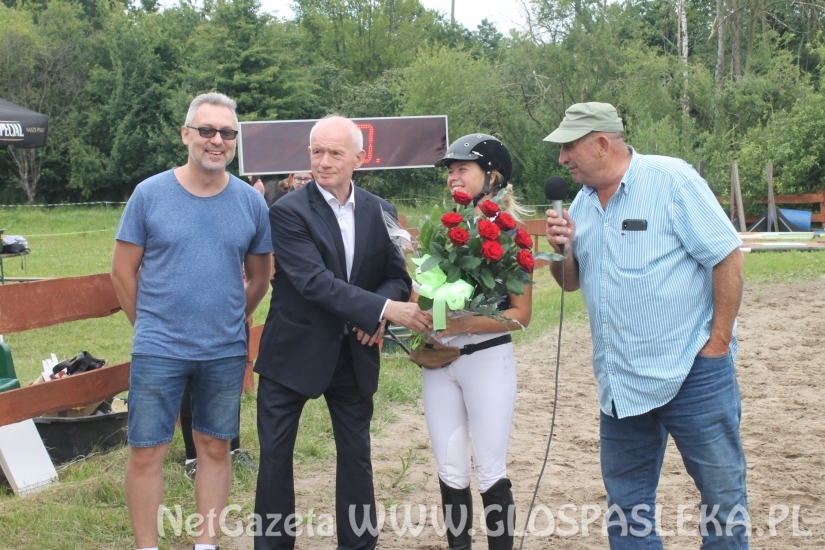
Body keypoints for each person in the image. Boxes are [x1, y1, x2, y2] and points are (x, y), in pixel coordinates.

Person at [544, 102, 748, 548]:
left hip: (694, 372)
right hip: (620, 382)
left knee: (721, 497)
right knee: (627, 504)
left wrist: (717, 343)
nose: (562, 159)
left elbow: (726, 255)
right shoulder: (579, 202)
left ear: (601, 143)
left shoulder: (671, 180)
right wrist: (562, 250)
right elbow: (571, 283)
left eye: (569, 147)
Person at [253, 115, 431, 550]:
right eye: (317, 152)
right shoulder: (287, 211)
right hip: (292, 351)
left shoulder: (382, 211)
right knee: (276, 458)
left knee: (356, 456)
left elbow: (393, 275)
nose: (324, 161)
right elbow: (314, 282)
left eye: (335, 152)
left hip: (353, 352)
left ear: (360, 157)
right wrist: (385, 310)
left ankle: (358, 545)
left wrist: (377, 315)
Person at [111, 92, 273, 550]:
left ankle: (206, 544)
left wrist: (229, 318)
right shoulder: (149, 195)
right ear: (186, 134)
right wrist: (148, 326)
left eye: (226, 133)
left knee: (215, 448)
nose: (216, 140)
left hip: (223, 351)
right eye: (206, 130)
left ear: (235, 141)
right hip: (158, 348)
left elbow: (261, 278)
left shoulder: (250, 203)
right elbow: (123, 272)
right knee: (147, 452)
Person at [426, 134, 532, 550]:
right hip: (440, 362)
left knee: (489, 468)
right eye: (451, 170)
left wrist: (469, 323)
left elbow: (521, 315)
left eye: (462, 169)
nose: (454, 176)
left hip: (487, 361)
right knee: (450, 469)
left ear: (492, 178)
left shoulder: (512, 236)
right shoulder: (440, 230)